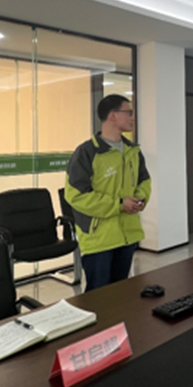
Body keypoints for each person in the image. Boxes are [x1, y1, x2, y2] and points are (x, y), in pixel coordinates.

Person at [65, 95, 151, 292]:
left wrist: (140, 198)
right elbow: (76, 195)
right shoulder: (87, 152)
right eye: (128, 112)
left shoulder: (133, 151)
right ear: (113, 116)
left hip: (127, 233)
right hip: (99, 238)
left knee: (120, 292)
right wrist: (119, 204)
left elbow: (144, 180)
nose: (132, 117)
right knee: (98, 296)